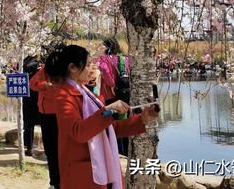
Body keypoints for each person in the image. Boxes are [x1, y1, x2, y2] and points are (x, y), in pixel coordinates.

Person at [47, 45, 159, 189]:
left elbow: (108, 129)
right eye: (88, 65)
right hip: (82, 174)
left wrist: (142, 120)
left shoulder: (87, 94)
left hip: (100, 167)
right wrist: (108, 110)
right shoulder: (64, 96)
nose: (93, 69)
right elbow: (79, 132)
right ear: (73, 68)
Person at [30, 56, 61, 189]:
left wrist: (45, 87)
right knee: (50, 151)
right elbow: (32, 84)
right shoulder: (44, 71)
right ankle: (54, 182)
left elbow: (55, 92)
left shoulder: (63, 73)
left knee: (58, 150)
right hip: (44, 115)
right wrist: (44, 85)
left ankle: (60, 181)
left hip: (57, 115)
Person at [98, 38, 131, 155]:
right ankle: (126, 151)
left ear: (107, 47)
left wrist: (112, 84)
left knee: (112, 124)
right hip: (124, 94)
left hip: (110, 96)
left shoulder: (105, 59)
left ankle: (117, 152)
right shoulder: (125, 59)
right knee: (124, 122)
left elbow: (105, 72)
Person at [22, 56, 41, 156]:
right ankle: (46, 149)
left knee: (28, 126)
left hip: (27, 103)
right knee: (43, 125)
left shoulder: (24, 76)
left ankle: (29, 148)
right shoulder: (40, 76)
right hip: (38, 103)